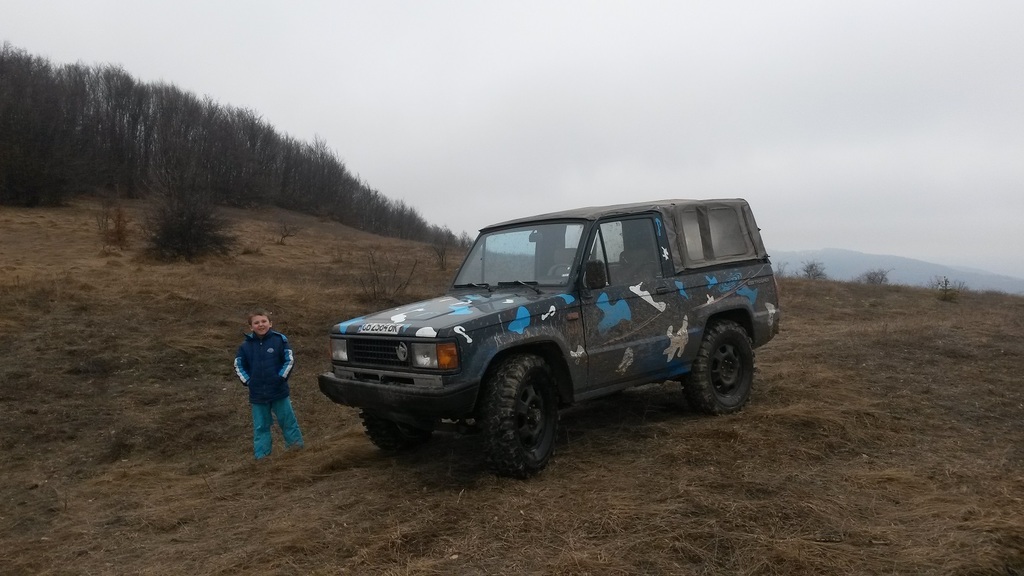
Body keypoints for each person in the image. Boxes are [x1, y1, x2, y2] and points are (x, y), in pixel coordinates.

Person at [233, 310, 304, 459]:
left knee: (288, 422)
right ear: (251, 327)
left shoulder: (280, 340)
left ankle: (296, 451)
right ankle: (262, 457)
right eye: (256, 323)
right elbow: (239, 365)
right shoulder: (245, 346)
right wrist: (248, 381)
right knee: (261, 427)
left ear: (270, 323)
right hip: (257, 395)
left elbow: (289, 360)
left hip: (279, 391)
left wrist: (281, 378)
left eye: (264, 321)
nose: (261, 325)